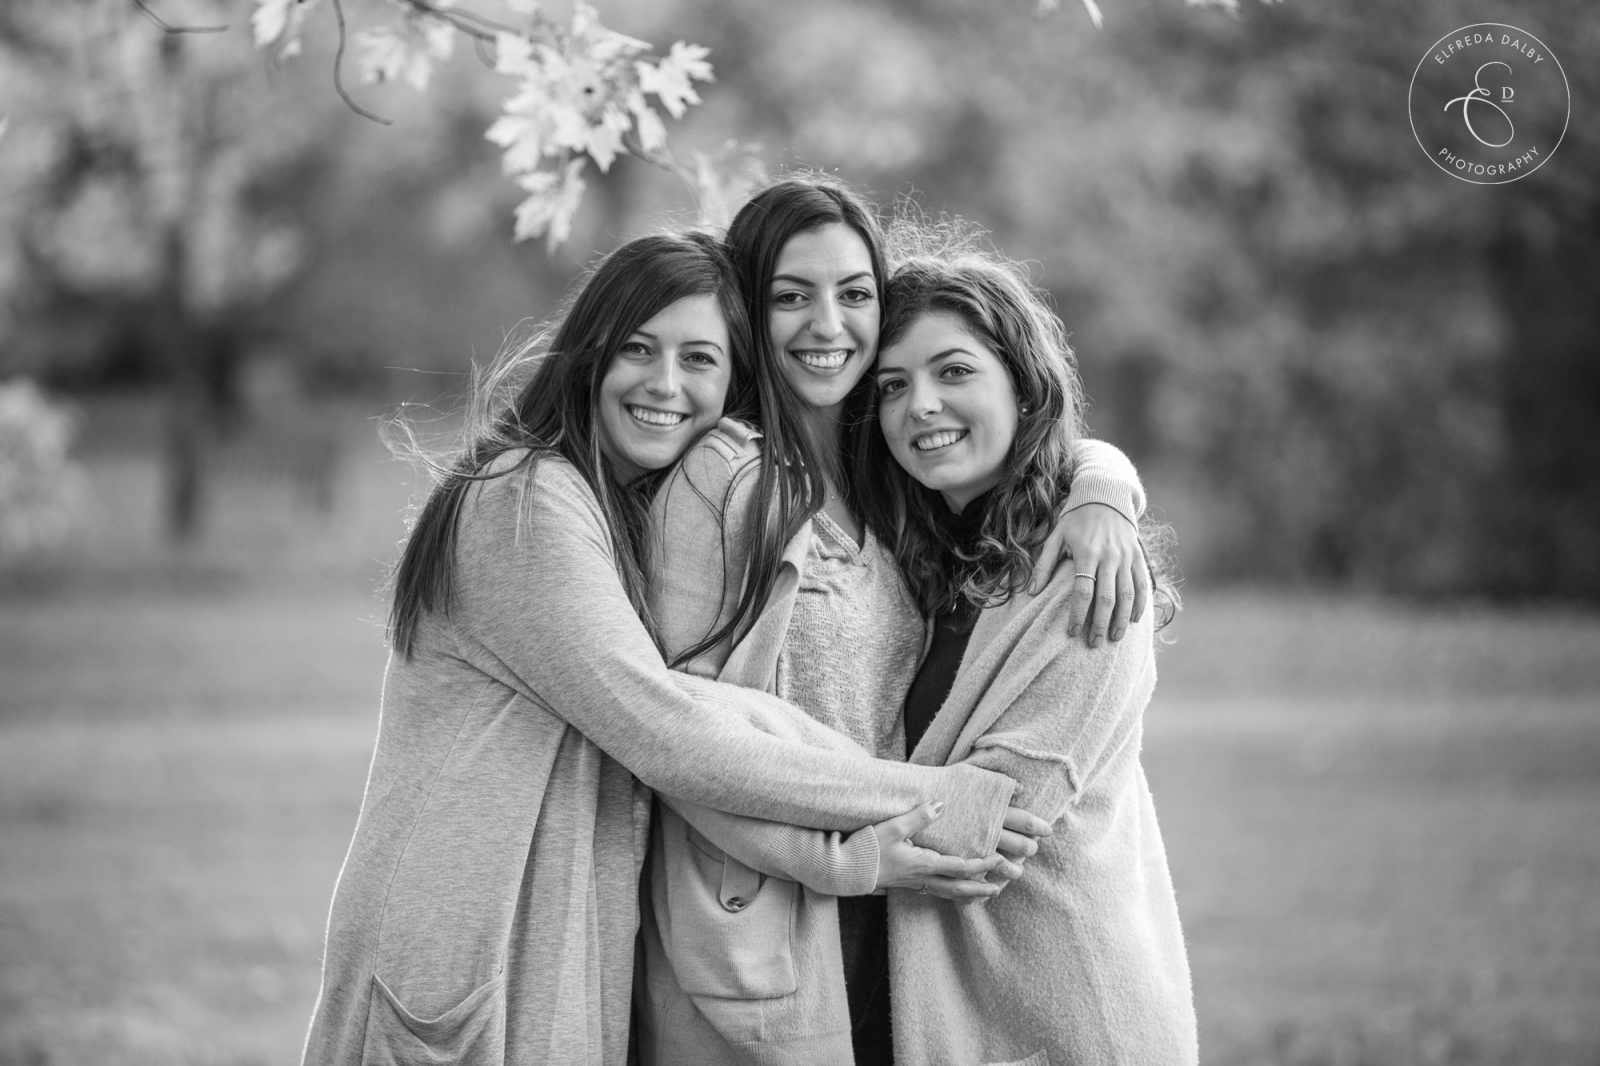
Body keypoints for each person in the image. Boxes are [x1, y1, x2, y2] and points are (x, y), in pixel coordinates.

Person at [299, 231, 1027, 1066]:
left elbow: (1030, 439)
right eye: (638, 348)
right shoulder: (524, 501)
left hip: (567, 927)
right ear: (587, 356)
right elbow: (670, 731)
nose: (666, 384)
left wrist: (1105, 487)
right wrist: (936, 798)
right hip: (472, 936)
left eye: (700, 360)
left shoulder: (627, 506)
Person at [636, 178, 1152, 1064]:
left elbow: (1024, 437)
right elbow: (687, 743)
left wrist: (1103, 483)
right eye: (790, 296)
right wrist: (856, 858)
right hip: (774, 924)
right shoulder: (722, 483)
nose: (827, 325)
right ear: (746, 312)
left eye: (854, 294)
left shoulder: (895, 489)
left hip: (923, 935)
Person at [862, 247, 1196, 1065]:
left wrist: (757, 781)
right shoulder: (917, 559)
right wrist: (1104, 474)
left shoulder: (1087, 574)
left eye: (953, 371)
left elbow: (988, 826)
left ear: (1023, 384)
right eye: (892, 386)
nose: (921, 405)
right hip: (936, 1003)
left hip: (1063, 1015)